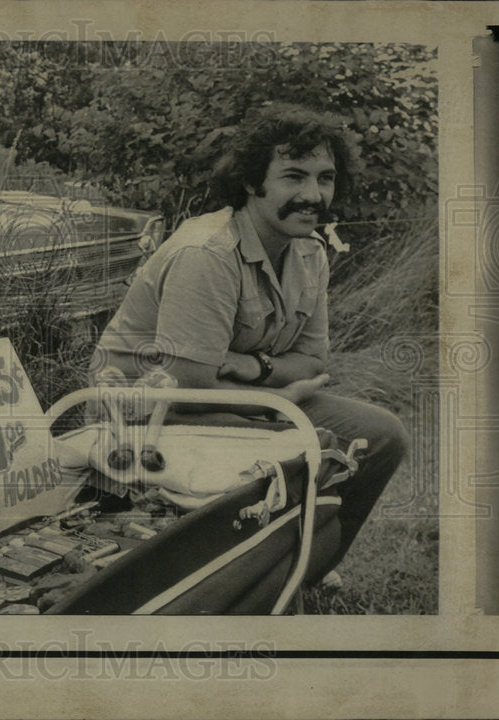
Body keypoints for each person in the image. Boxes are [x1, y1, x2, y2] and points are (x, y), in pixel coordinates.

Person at [92, 103, 408, 574]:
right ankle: (257, 576)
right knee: (302, 445)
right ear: (250, 182)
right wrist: (275, 397)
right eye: (294, 177)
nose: (313, 195)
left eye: (325, 178)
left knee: (384, 435)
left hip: (237, 393)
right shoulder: (208, 254)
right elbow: (187, 390)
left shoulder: (309, 249)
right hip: (143, 413)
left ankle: (310, 568)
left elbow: (316, 363)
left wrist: (254, 368)